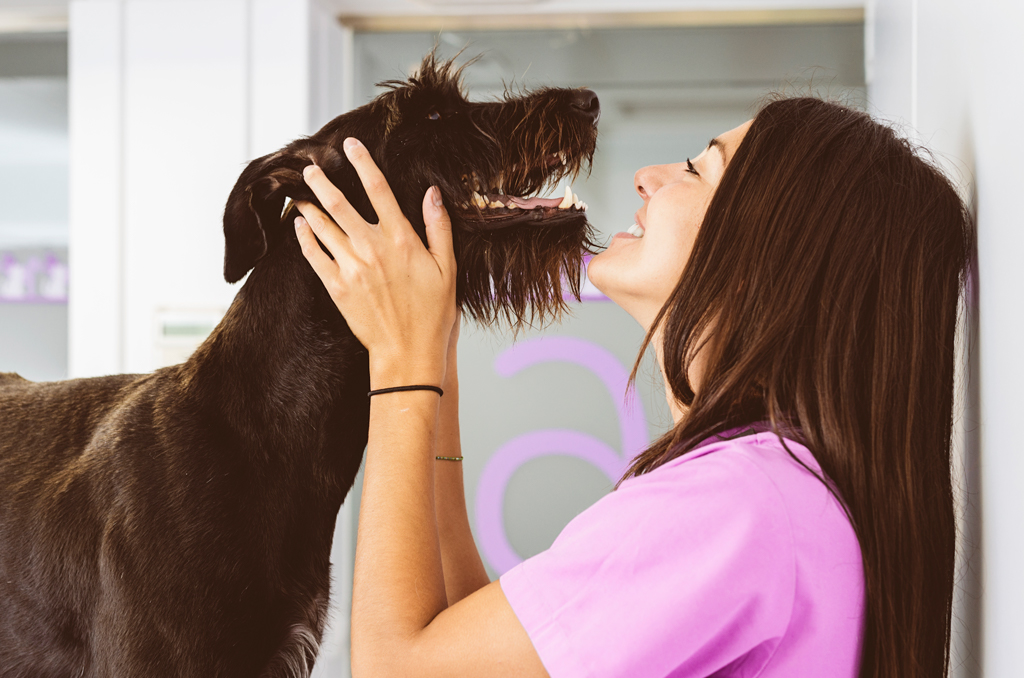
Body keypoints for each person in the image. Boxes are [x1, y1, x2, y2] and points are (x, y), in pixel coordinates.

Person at [292, 96, 972, 678]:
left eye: (697, 170)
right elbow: (481, 661)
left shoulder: (735, 506)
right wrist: (432, 360)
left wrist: (400, 365)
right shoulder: (778, 495)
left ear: (769, 253)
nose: (650, 177)